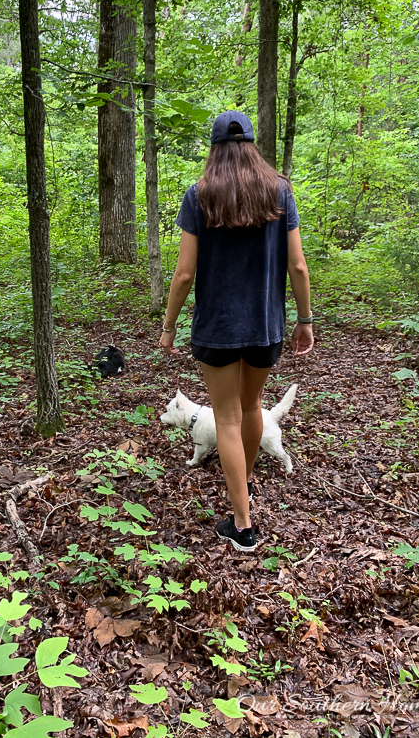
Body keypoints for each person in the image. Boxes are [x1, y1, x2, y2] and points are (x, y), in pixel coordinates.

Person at [159, 110, 314, 552]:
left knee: (225, 417)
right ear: (251, 145)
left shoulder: (199, 196)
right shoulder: (280, 192)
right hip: (266, 327)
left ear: (214, 149)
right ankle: (241, 482)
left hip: (217, 329)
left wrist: (168, 326)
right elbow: (298, 265)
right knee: (251, 408)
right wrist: (304, 321)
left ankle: (242, 523)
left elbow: (184, 274)